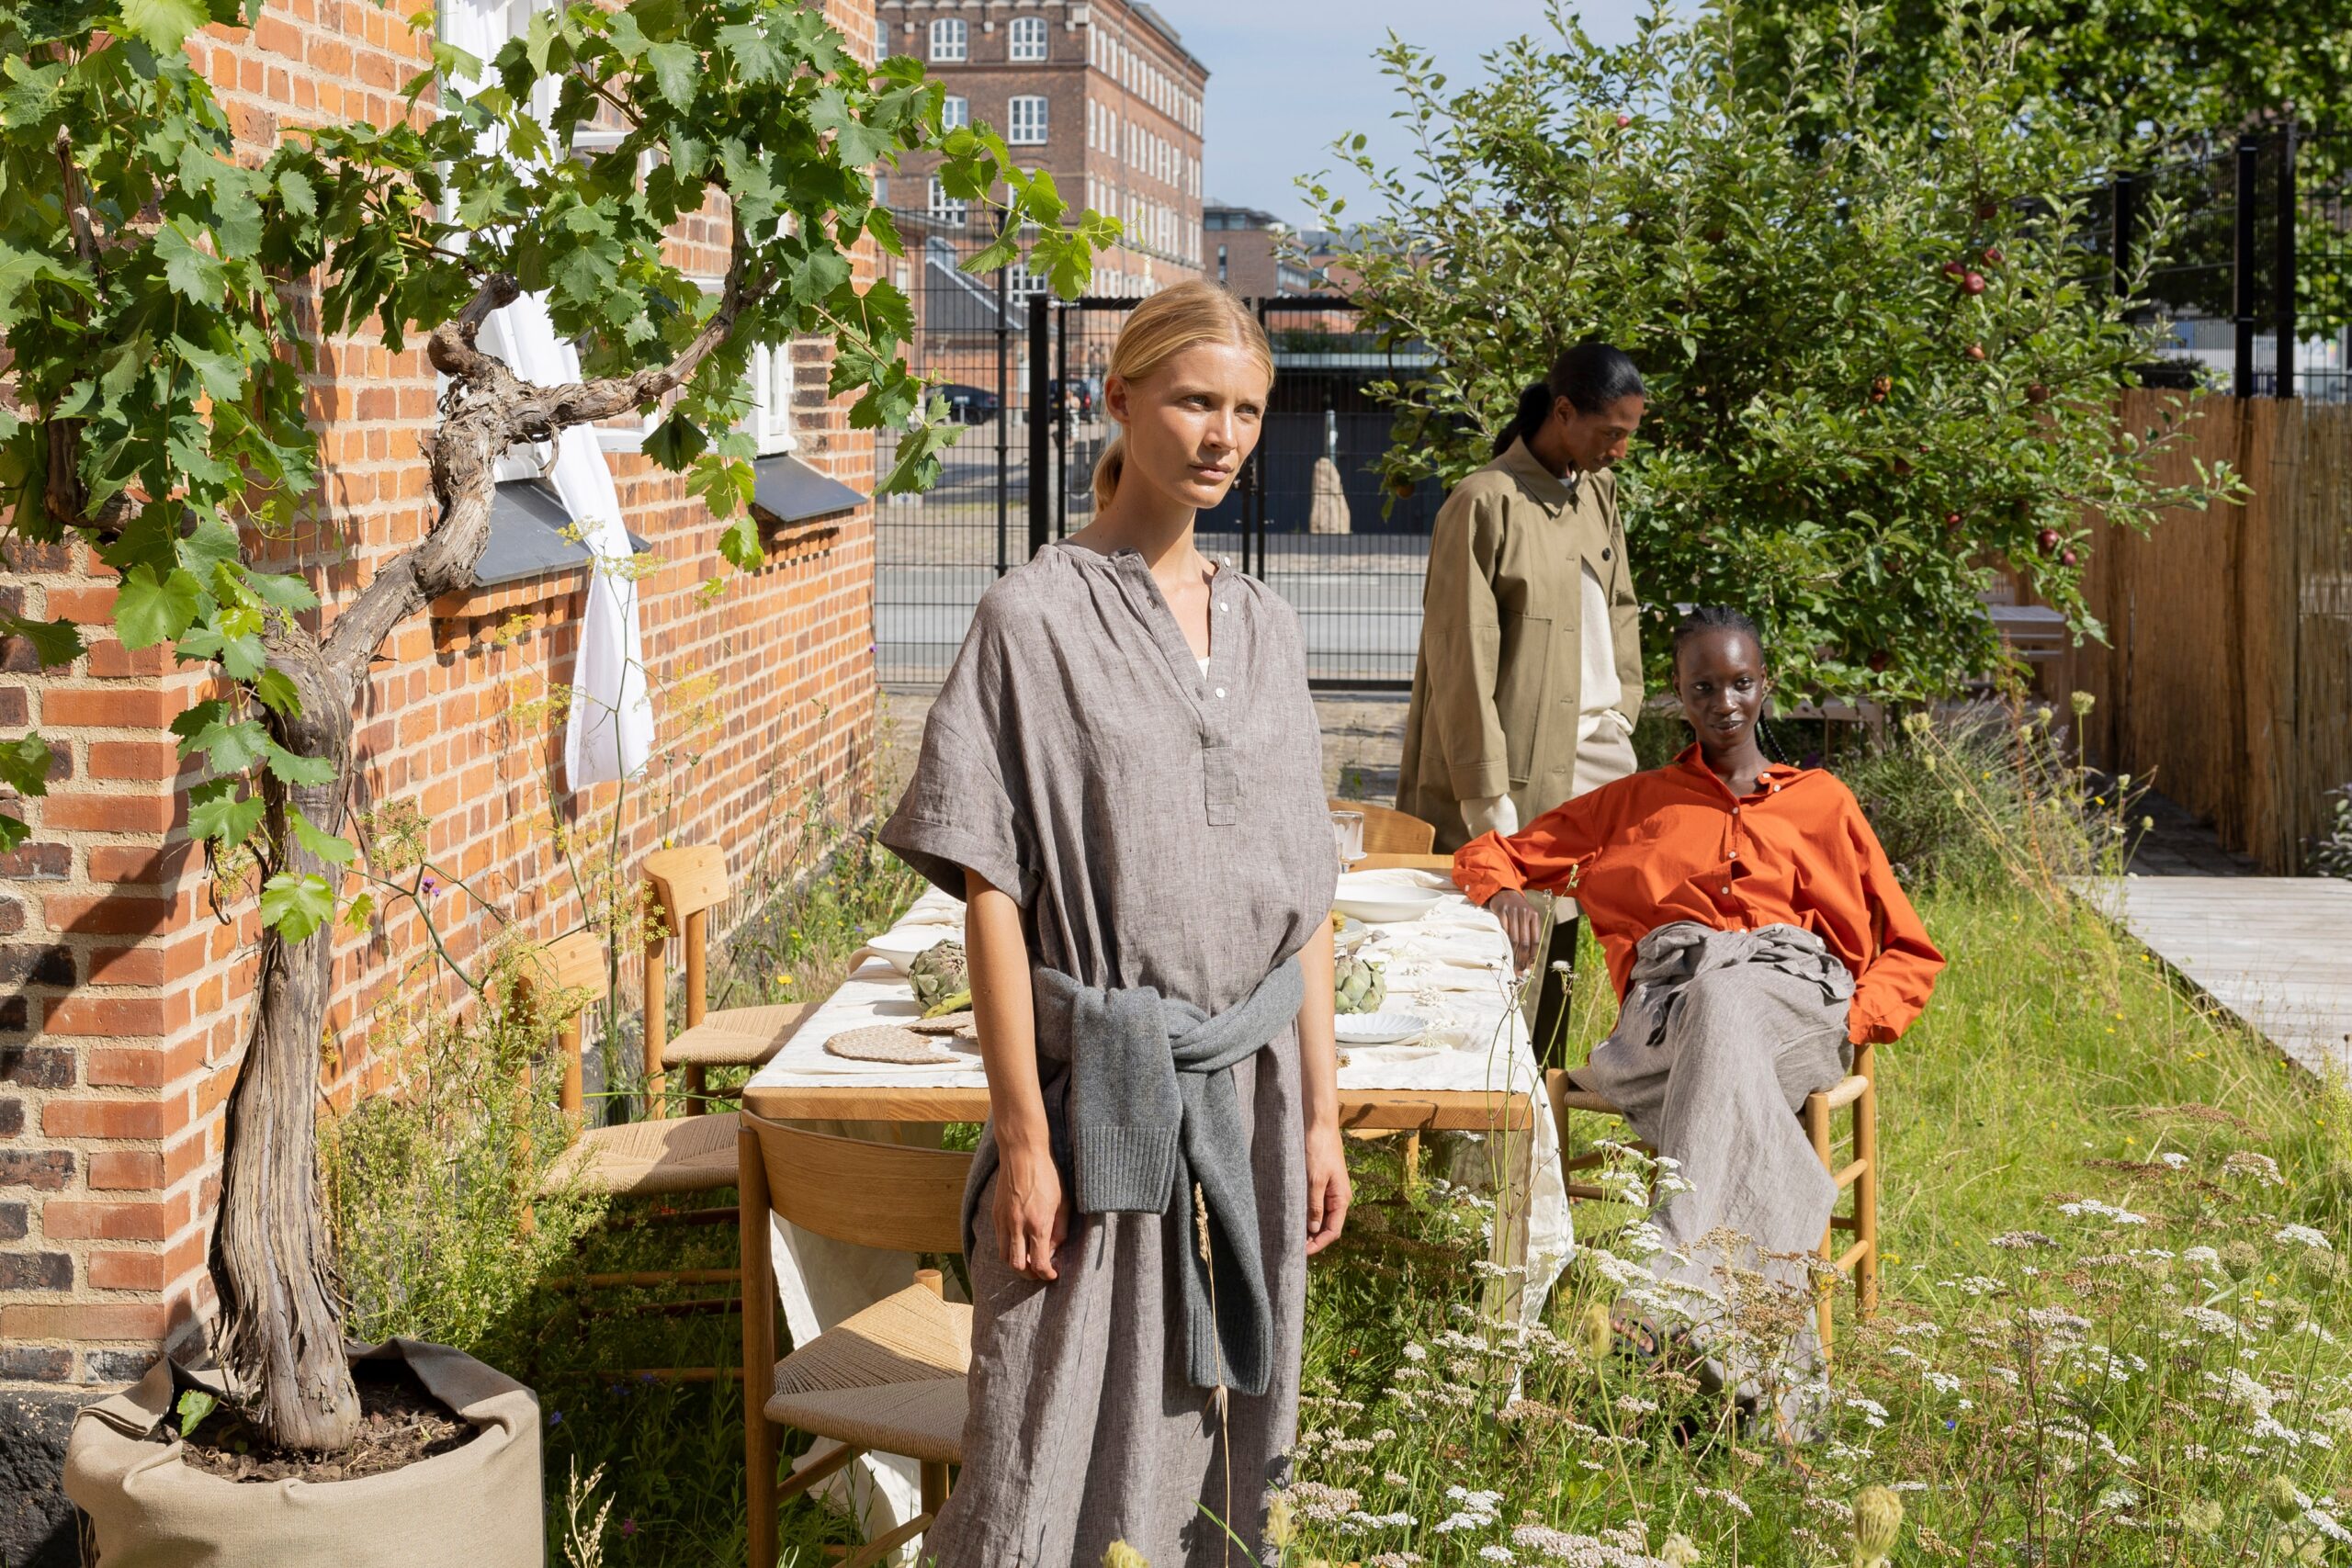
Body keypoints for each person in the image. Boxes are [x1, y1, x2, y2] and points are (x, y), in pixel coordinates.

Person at [882, 280, 1348, 1566]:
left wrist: (1320, 1110)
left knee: (1238, 1422)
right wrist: (1024, 1135)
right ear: (1119, 397)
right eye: (1197, 400)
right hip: (1099, 1099)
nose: (1223, 435)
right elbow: (992, 886)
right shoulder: (1029, 618)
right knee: (1053, 1411)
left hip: (1248, 1098)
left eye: (1247, 410)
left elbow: (1307, 891)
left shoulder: (1267, 626)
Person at [1451, 607, 1944, 1430]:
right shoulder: (1634, 802)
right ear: (1679, 696)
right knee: (1715, 1002)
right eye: (1704, 686)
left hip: (1795, 997)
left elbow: (1909, 948)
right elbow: (1493, 852)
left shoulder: (1824, 803)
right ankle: (1760, 1386)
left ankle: (1665, 1296)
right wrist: (1503, 890)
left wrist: (1857, 1020)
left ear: (1766, 686)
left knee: (1730, 998)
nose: (1725, 701)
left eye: (1742, 683)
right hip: (1672, 1008)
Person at [1396, 344, 1649, 1060]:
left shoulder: (1598, 495)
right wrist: (1488, 804)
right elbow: (1461, 661)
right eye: (1610, 432)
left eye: (1630, 432)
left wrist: (1623, 707)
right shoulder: (1484, 503)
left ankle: (1547, 1124)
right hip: (1508, 781)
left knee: (1564, 960)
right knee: (1500, 970)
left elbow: (1622, 606)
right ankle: (1486, 1153)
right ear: (1563, 413)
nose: (1620, 450)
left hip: (1597, 759)